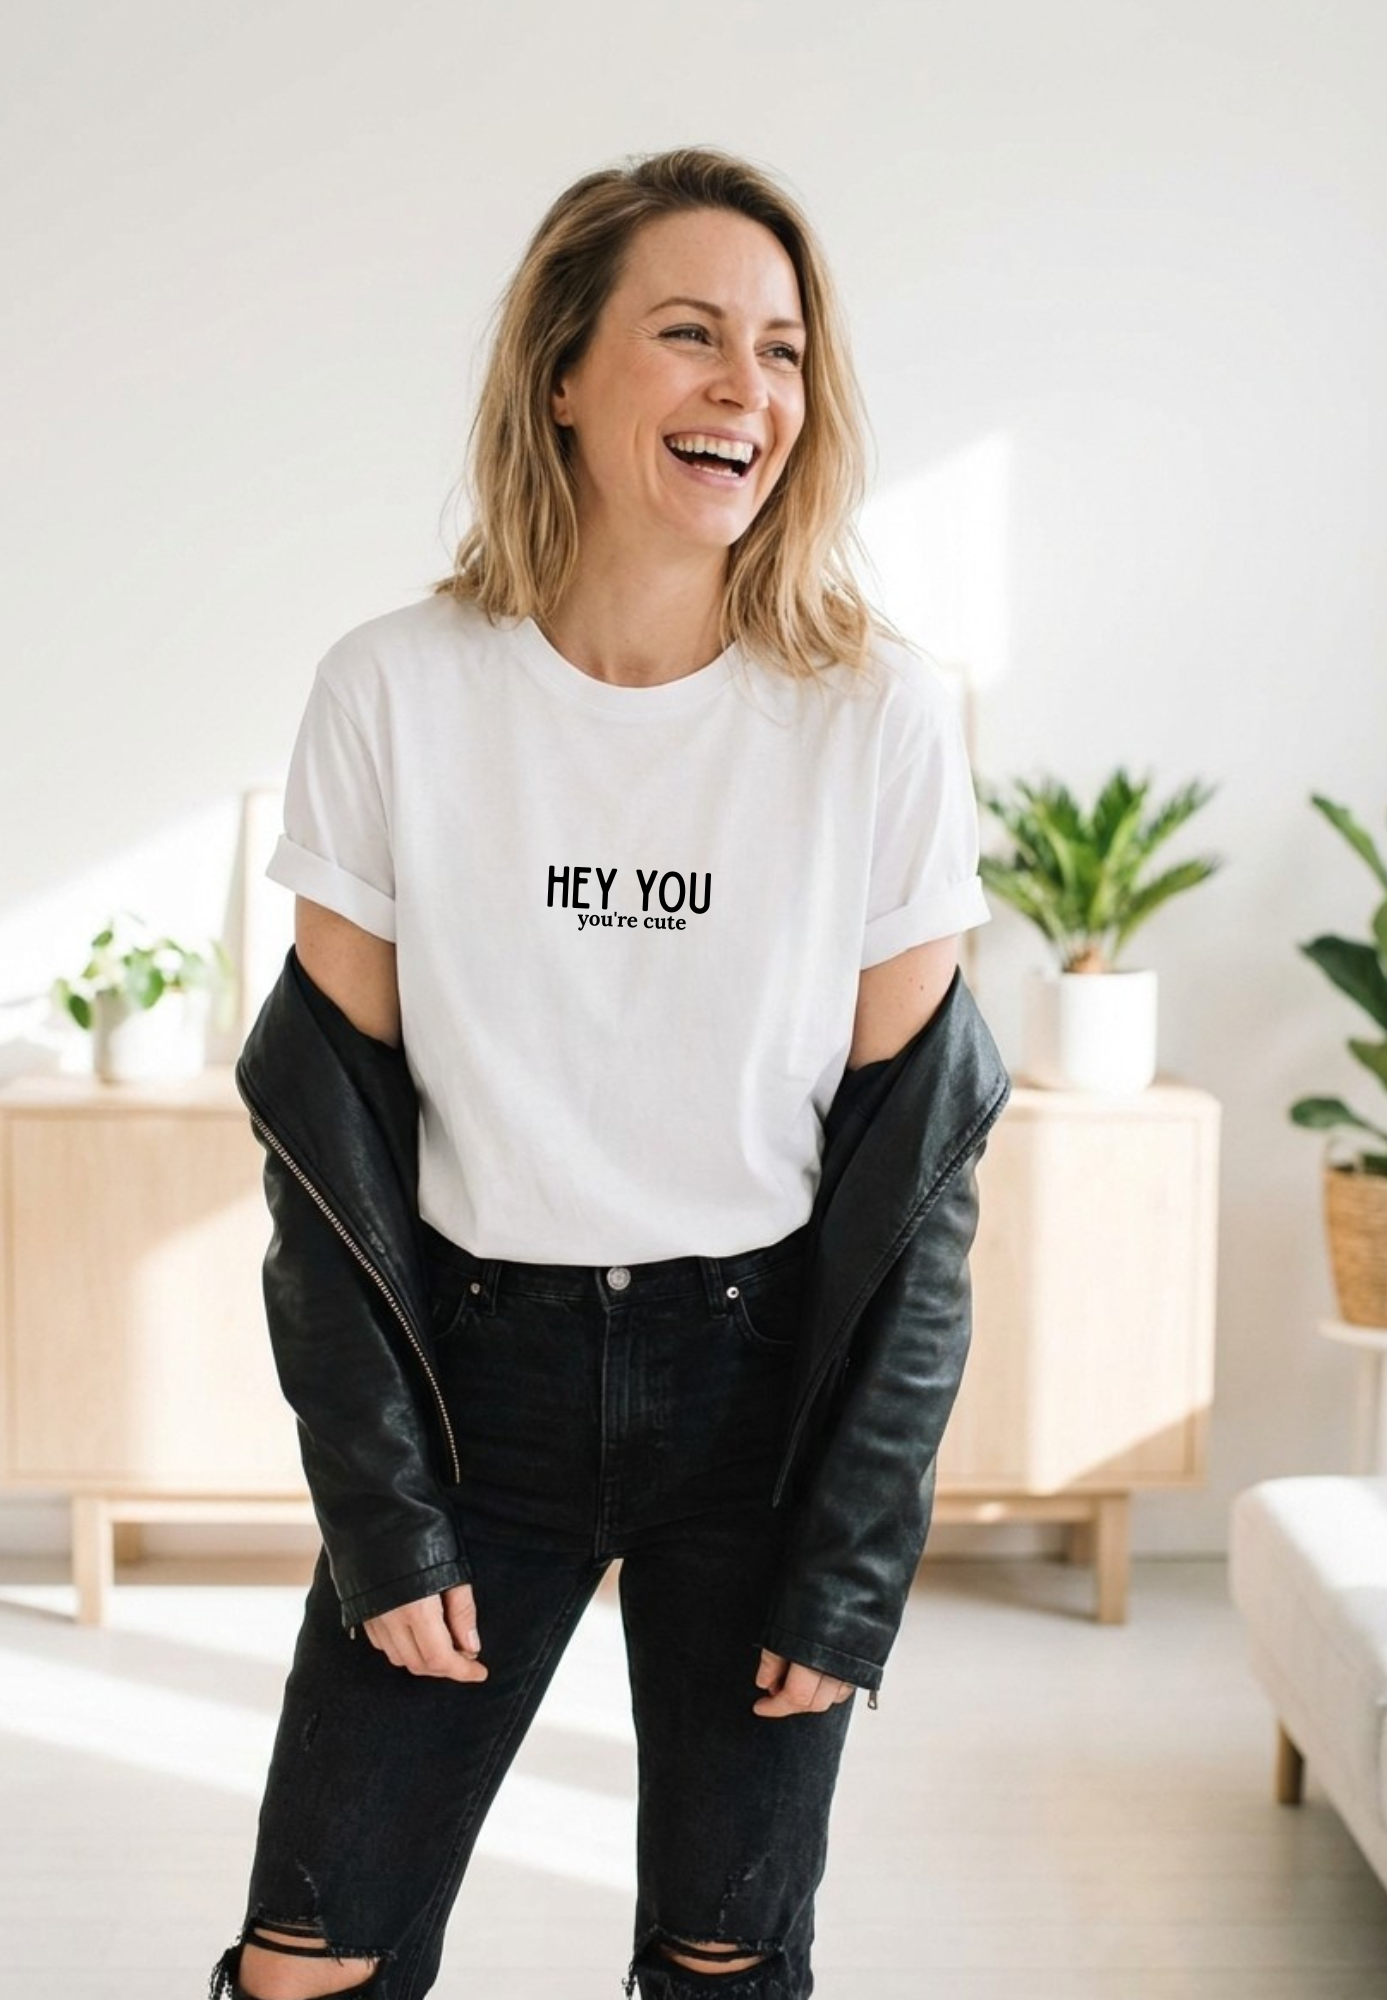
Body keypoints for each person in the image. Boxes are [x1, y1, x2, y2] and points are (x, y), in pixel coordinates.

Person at [212, 147, 1009, 2000]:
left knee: (726, 1962)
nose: (748, 387)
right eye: (690, 334)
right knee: (310, 1958)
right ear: (563, 371)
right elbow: (325, 1155)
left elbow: (917, 1193)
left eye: (782, 349)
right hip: (471, 1386)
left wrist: (852, 1556)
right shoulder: (394, 690)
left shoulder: (881, 717)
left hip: (757, 1397)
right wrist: (380, 1510)